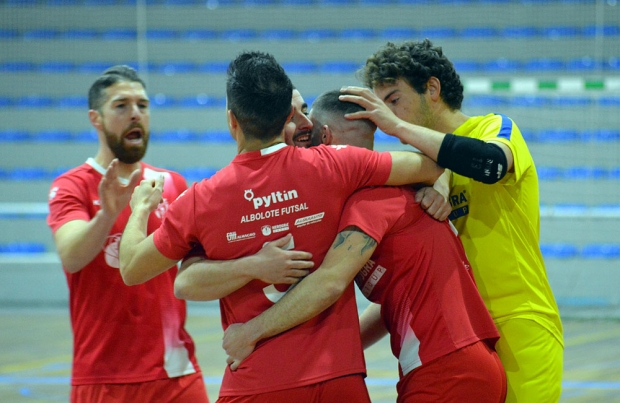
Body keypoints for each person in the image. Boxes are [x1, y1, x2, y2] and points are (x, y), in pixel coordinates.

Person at [118, 51, 444, 402]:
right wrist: (435, 183)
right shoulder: (336, 166)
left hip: (256, 382)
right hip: (338, 379)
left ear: (232, 121)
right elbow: (431, 162)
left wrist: (140, 208)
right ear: (288, 116)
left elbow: (132, 268)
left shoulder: (201, 200)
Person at [221, 89, 507, 403]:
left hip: (447, 368)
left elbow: (329, 282)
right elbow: (392, 307)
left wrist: (252, 333)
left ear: (326, 137)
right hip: (460, 364)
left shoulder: (370, 199)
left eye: (310, 131)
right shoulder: (395, 191)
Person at [340, 39, 564, 402]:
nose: (387, 119)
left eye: (394, 101)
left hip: (520, 322)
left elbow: (490, 164)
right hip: (463, 341)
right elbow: (405, 288)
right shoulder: (421, 172)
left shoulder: (494, 127)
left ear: (432, 88)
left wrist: (399, 128)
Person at [46, 65, 209, 403]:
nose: (135, 114)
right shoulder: (72, 185)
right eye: (121, 106)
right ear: (96, 118)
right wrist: (108, 212)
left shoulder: (172, 183)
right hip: (104, 377)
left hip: (176, 372)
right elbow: (73, 257)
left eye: (143, 105)